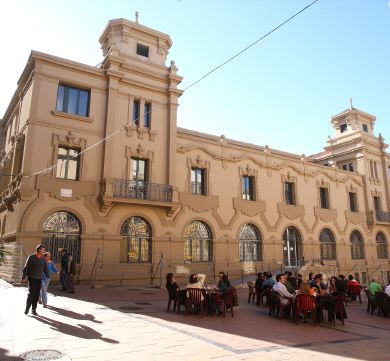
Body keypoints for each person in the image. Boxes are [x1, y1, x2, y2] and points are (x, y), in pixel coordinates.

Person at [22, 244, 49, 315]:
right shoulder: (31, 257)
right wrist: (23, 276)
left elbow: (45, 268)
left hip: (39, 278)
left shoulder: (43, 258)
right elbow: (26, 267)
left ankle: (33, 310)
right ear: (39, 250)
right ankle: (27, 308)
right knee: (31, 293)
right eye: (43, 250)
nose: (44, 251)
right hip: (32, 277)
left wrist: (47, 275)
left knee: (37, 294)